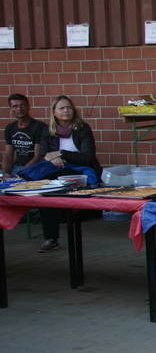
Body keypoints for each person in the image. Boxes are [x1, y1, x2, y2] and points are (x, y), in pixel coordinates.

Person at [38, 96, 104, 253]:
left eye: (69, 107)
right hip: (57, 172)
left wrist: (61, 154)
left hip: (82, 172)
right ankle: (51, 238)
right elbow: (44, 156)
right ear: (54, 112)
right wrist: (53, 159)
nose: (66, 110)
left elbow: (88, 158)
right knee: (46, 192)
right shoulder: (47, 131)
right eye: (61, 108)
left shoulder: (82, 128)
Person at [3, 93, 46, 179]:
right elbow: (8, 155)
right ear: (11, 109)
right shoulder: (10, 128)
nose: (19, 109)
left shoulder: (39, 126)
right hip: (16, 167)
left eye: (22, 105)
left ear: (28, 107)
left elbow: (37, 156)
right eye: (15, 106)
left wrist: (20, 174)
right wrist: (6, 173)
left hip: (35, 167)